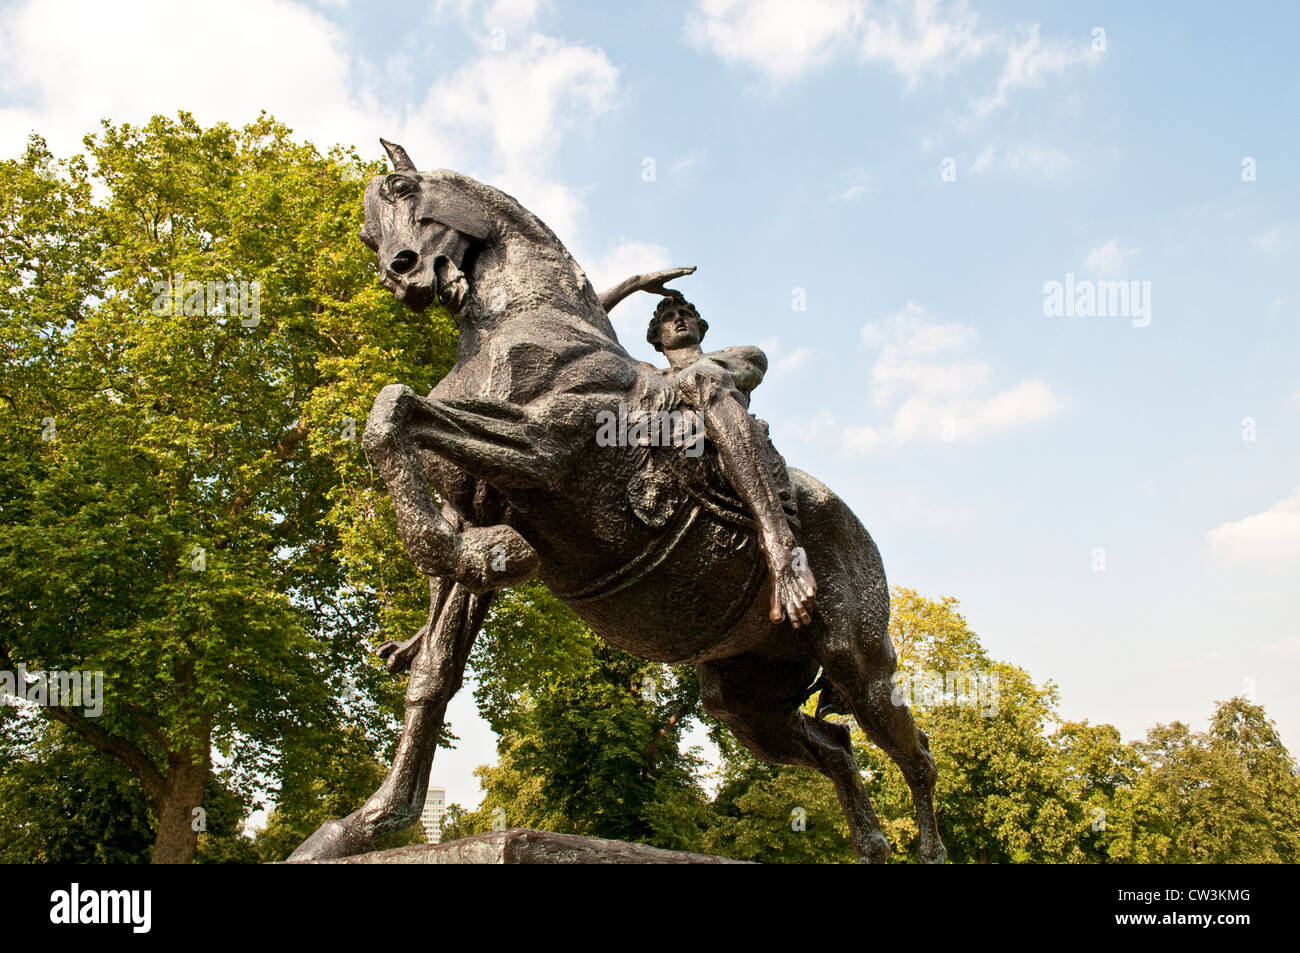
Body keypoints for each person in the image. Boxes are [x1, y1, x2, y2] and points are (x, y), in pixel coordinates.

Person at [645, 292, 816, 627]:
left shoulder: (738, 357)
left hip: (722, 443)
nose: (678, 319)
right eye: (668, 317)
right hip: (672, 451)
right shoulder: (649, 374)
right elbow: (578, 329)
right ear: (656, 337)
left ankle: (779, 541)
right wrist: (634, 284)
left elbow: (734, 375)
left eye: (685, 313)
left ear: (700, 326)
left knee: (700, 379)